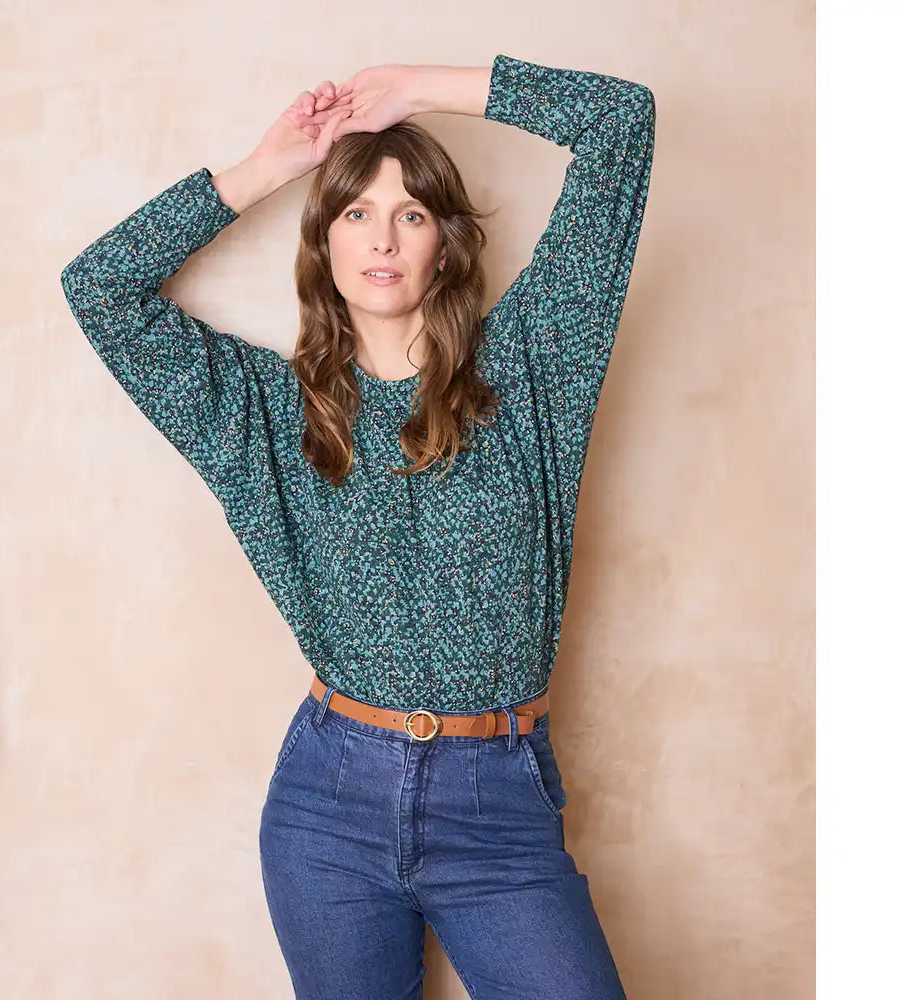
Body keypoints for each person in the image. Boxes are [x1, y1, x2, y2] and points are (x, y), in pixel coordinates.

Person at [61, 52, 655, 1000]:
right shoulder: (267, 413)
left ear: (446, 245)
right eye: (356, 213)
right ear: (325, 245)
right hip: (328, 805)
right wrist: (267, 167)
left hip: (496, 804)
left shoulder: (537, 363)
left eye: (411, 213)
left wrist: (417, 89)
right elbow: (99, 288)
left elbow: (621, 121)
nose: (383, 239)